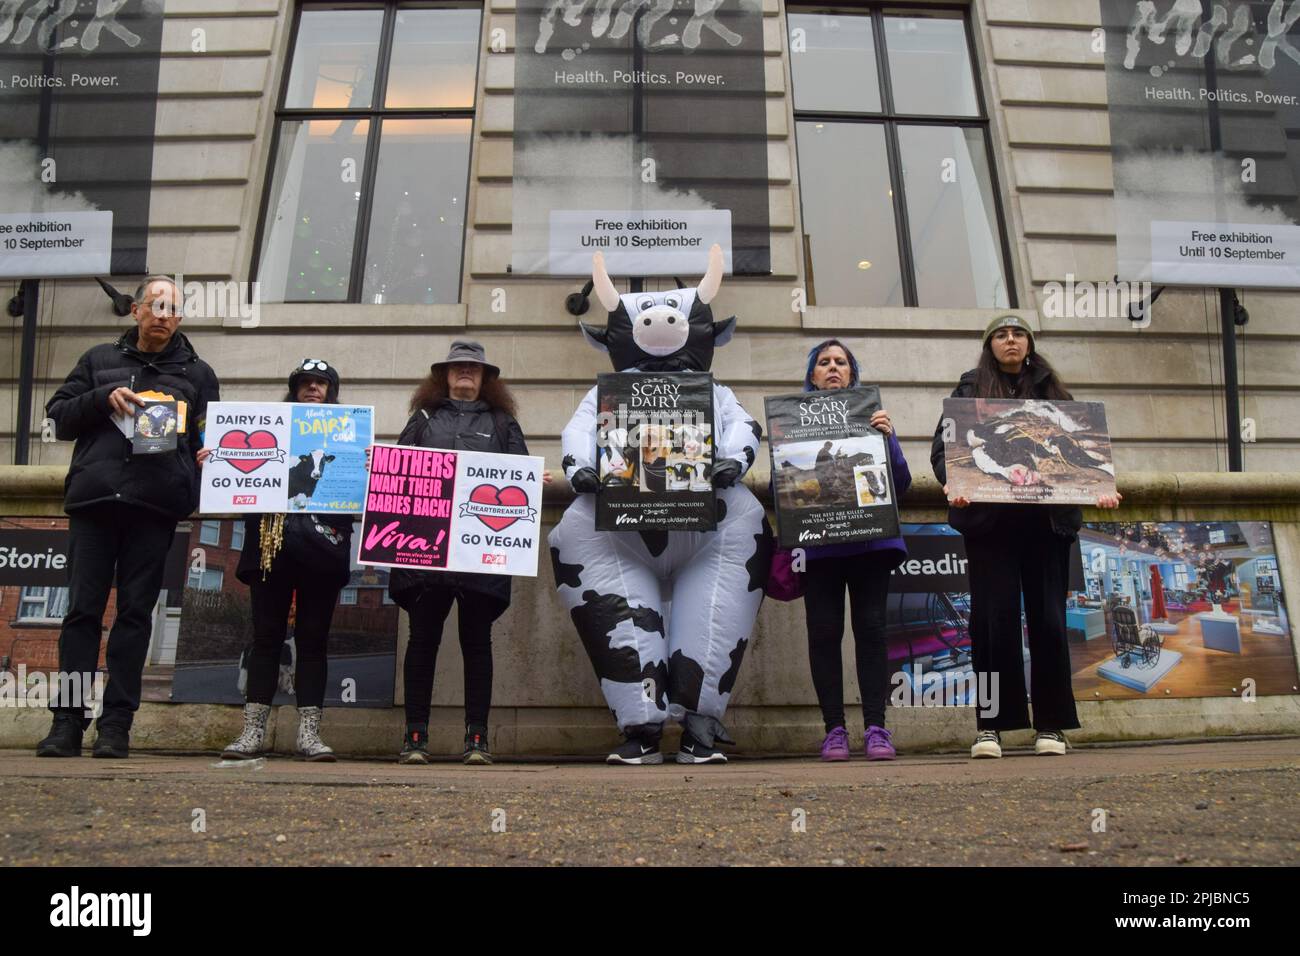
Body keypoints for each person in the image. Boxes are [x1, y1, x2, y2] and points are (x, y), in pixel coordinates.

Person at [36, 276, 221, 758]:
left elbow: (211, 441)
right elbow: (55, 419)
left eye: (172, 309)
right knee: (81, 613)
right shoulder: (99, 360)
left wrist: (202, 464)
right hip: (96, 503)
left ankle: (116, 724)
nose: (162, 314)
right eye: (154, 305)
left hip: (155, 507)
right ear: (136, 310)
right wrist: (102, 399)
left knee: (136, 616)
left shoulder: (199, 375)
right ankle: (67, 724)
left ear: (179, 319)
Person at [930, 315, 1121, 759]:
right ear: (990, 345)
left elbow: (1083, 452)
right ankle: (990, 727)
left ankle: (1051, 725)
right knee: (991, 623)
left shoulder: (1055, 394)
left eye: (1017, 333)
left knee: (1050, 623)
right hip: (990, 525)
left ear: (1029, 343)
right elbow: (944, 451)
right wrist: (953, 482)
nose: (1010, 340)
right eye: (1001, 334)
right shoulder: (967, 392)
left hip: (1047, 525)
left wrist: (1101, 488)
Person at [388, 341, 548, 765]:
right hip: (426, 551)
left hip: (481, 554)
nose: (465, 373)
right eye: (458, 367)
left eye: (473, 369)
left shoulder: (502, 423)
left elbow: (519, 474)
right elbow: (397, 472)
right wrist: (377, 464)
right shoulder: (421, 419)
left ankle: (477, 738)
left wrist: (533, 480)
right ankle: (414, 735)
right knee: (422, 641)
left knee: (477, 642)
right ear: (443, 374)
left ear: (485, 378)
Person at [215, 359, 354, 762]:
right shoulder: (268, 427)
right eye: (305, 383)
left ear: (331, 392)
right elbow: (237, 477)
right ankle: (252, 730)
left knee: (313, 640)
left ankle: (309, 733)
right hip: (270, 544)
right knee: (265, 638)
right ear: (294, 389)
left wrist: (367, 467)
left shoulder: (347, 436)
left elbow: (357, 487)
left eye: (321, 384)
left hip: (323, 549)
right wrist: (214, 462)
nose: (313, 389)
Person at [798, 340, 912, 761]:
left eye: (840, 362)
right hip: (820, 545)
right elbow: (785, 488)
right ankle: (834, 730)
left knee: (872, 630)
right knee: (824, 634)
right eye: (824, 362)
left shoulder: (872, 419)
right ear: (812, 375)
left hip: (870, 543)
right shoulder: (792, 423)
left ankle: (877, 727)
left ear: (852, 374)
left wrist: (890, 437)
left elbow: (900, 483)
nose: (832, 368)